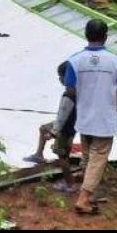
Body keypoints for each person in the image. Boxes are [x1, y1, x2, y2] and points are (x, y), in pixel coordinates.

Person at [63, 19, 117, 214]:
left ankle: (87, 188)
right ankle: (83, 199)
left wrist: (84, 98)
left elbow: (69, 88)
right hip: (104, 118)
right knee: (98, 156)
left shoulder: (75, 60)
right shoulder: (115, 61)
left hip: (85, 115)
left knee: (88, 153)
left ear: (86, 35)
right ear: (106, 37)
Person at [23, 62, 77, 191]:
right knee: (43, 128)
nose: (60, 79)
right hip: (68, 125)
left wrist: (53, 133)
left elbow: (62, 117)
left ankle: (70, 184)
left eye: (61, 76)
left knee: (62, 156)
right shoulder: (78, 91)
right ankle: (39, 155)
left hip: (64, 129)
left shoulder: (69, 95)